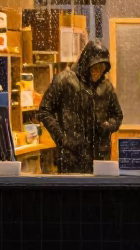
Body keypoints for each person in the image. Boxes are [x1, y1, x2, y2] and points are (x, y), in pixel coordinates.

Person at [38, 39, 123, 174]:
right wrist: (62, 138)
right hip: (71, 156)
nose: (98, 72)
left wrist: (109, 126)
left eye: (102, 69)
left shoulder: (106, 87)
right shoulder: (64, 80)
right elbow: (44, 111)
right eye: (95, 68)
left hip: (99, 155)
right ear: (86, 64)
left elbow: (117, 115)